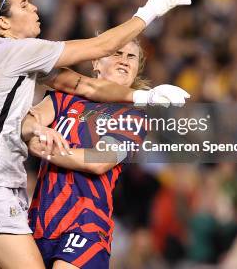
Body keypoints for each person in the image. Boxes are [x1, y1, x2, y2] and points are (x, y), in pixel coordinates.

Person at [0, 0, 192, 269]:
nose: (35, 7)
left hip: (78, 223)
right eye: (25, 5)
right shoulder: (19, 54)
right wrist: (153, 8)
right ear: (3, 24)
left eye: (132, 57)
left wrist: (143, 96)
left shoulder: (130, 115)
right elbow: (101, 46)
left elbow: (94, 146)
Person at [24, 39, 152, 269]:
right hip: (39, 221)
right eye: (116, 52)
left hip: (87, 223)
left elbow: (99, 161)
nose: (123, 60)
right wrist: (34, 130)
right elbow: (28, 125)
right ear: (96, 62)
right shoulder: (62, 97)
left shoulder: (133, 116)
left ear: (136, 69)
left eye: (131, 57)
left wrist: (41, 146)